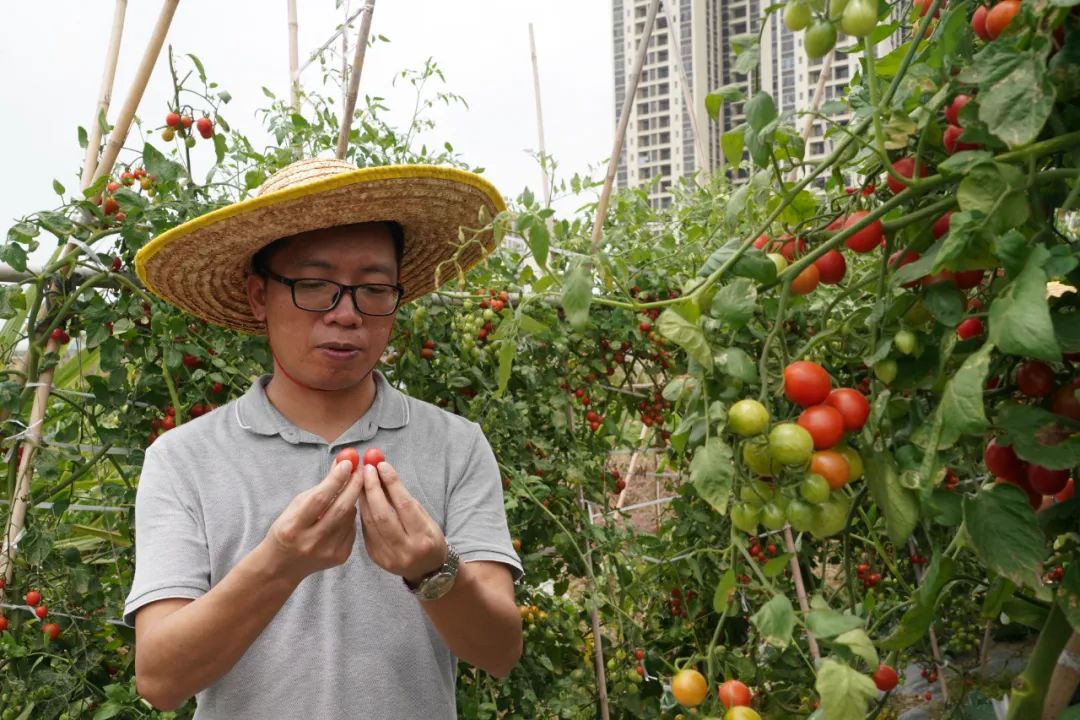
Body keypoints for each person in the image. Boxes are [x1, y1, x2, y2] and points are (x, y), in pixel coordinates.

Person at [123, 158, 523, 719]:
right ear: (259, 296)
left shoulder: (455, 445)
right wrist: (279, 564)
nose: (346, 314)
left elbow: (501, 652)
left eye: (374, 289)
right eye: (314, 285)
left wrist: (434, 573)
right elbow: (160, 679)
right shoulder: (184, 459)